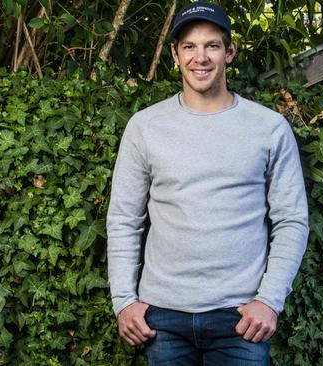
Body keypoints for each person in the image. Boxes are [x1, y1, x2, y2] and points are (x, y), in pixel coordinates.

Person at [106, 2, 309, 365]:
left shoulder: (268, 128)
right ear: (175, 54)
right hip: (162, 317)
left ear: (229, 51)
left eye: (212, 45)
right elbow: (124, 218)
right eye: (190, 46)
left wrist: (268, 301)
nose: (201, 57)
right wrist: (124, 302)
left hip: (240, 318)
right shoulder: (145, 126)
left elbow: (291, 220)